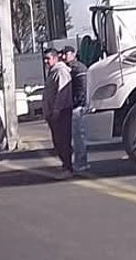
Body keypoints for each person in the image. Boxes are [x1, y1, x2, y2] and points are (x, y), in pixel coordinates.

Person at [41, 48, 73, 179]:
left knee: (63, 141)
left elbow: (62, 92)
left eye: (48, 58)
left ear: (55, 58)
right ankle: (65, 166)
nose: (46, 61)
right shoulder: (52, 72)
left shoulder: (60, 71)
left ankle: (68, 168)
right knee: (57, 142)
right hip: (53, 113)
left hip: (61, 112)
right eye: (45, 59)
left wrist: (56, 109)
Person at [61, 46, 89, 174]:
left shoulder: (77, 68)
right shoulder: (71, 68)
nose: (63, 56)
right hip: (76, 106)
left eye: (66, 53)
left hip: (78, 107)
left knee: (78, 137)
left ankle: (81, 163)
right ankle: (79, 162)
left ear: (73, 54)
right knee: (76, 137)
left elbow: (82, 88)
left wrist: (77, 102)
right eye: (62, 54)